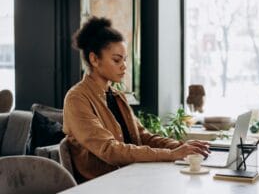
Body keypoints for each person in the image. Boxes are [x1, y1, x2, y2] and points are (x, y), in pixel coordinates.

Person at [63, 16, 210, 181]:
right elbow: (109, 150)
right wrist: (171, 154)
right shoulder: (76, 99)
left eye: (124, 60)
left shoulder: (116, 95)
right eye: (116, 60)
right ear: (94, 59)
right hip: (103, 184)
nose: (124, 66)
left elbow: (142, 136)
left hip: (131, 175)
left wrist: (181, 147)